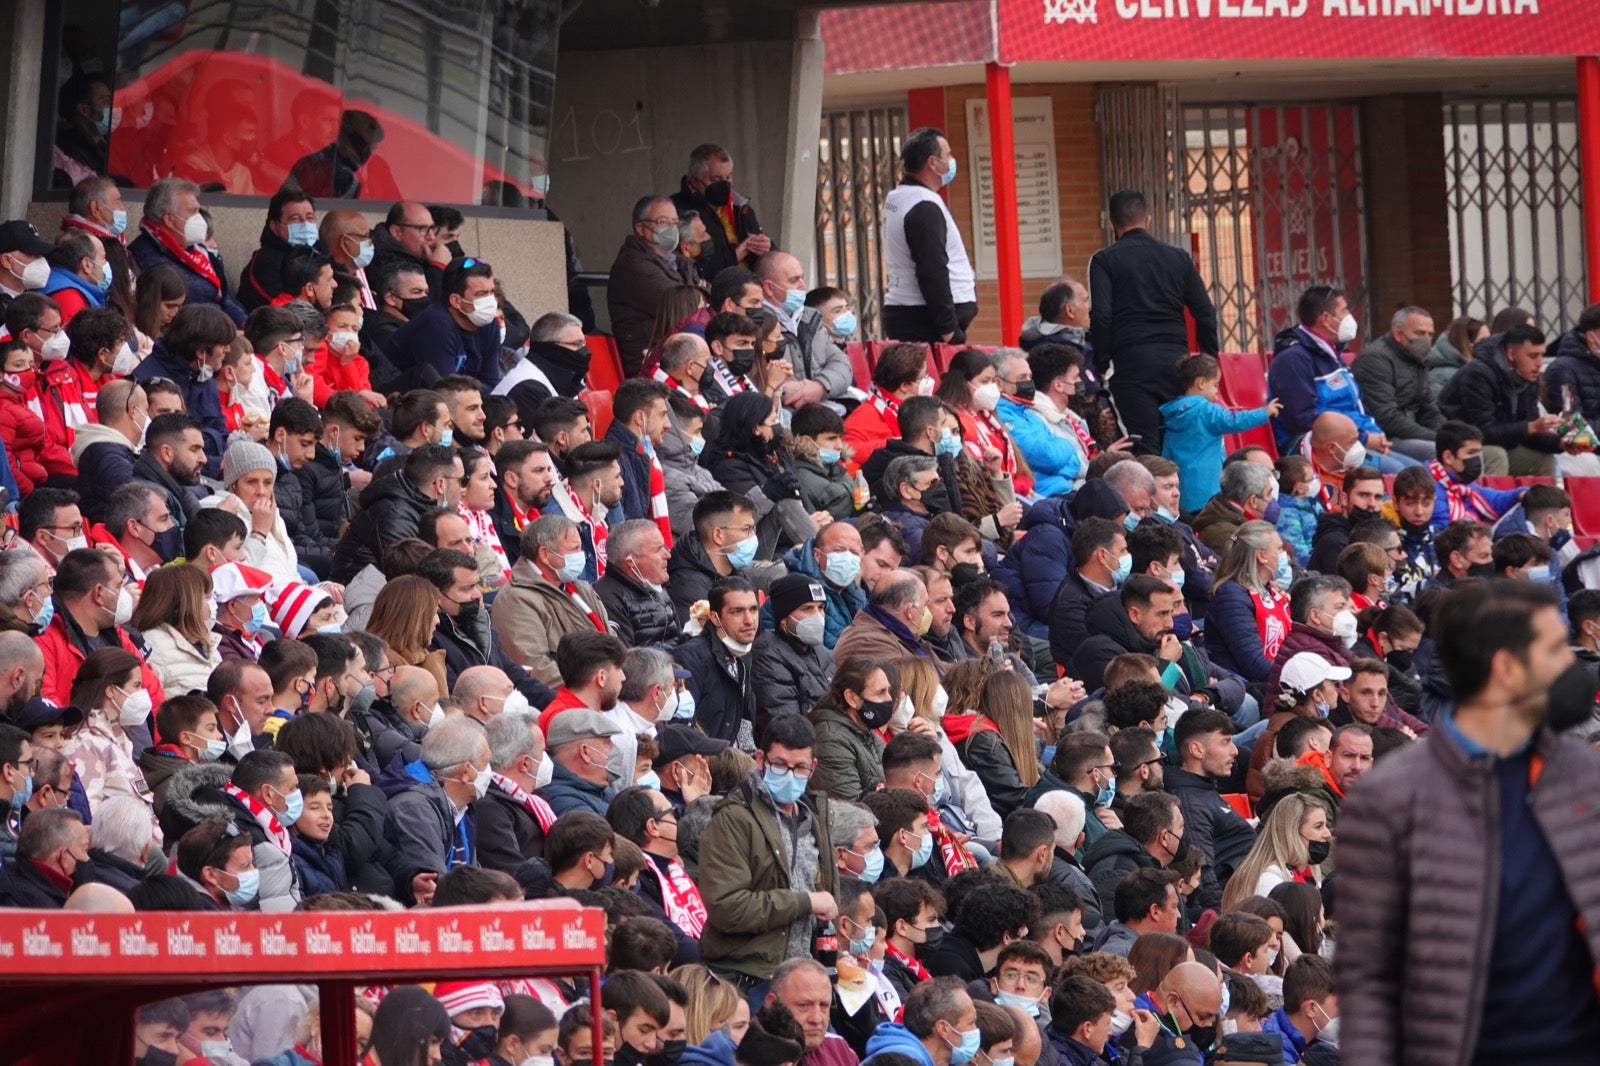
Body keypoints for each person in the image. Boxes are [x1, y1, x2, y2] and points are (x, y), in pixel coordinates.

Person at [698, 714, 839, 996]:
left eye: (800, 767)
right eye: (780, 765)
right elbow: (728, 908)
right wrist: (804, 902)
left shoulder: (813, 817)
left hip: (802, 978)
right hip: (747, 979)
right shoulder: (734, 818)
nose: (790, 774)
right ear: (761, 759)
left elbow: (824, 898)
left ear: (813, 768)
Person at [1087, 191, 1218, 453]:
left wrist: (1102, 362)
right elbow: (1205, 312)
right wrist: (1208, 360)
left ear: (1112, 224)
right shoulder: (1178, 257)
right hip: (1176, 363)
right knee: (1181, 442)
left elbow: (1101, 315)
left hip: (1130, 364)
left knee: (1145, 445)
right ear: (1147, 219)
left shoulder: (1104, 260)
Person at [1267, 285, 1411, 474]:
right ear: (1326, 319)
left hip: (1356, 440)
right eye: (1344, 311)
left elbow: (1357, 404)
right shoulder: (1293, 359)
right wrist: (1363, 438)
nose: (1349, 317)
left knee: (1421, 469)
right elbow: (1303, 419)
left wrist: (1373, 433)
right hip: (1320, 448)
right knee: (1400, 474)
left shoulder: (1330, 354)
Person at [881, 127, 977, 345]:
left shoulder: (898, 198)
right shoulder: (922, 205)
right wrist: (948, 329)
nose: (952, 161)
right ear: (932, 163)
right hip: (927, 320)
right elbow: (932, 268)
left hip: (913, 313)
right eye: (948, 155)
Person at [1439, 322, 1563, 477]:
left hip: (1501, 442)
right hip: (1459, 445)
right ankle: (1490, 494)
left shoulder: (1528, 375)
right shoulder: (1478, 374)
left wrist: (1561, 443)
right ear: (1511, 354)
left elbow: (1528, 431)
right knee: (1497, 456)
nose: (1539, 363)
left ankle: (1545, 494)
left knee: (1545, 460)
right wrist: (1530, 427)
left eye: (1542, 355)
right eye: (1532, 356)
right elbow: (1483, 431)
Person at [1162, 355, 1281, 515]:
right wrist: (1264, 412)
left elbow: (1166, 453)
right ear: (1201, 383)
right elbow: (1233, 420)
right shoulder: (1206, 410)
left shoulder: (1173, 413)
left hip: (1184, 489)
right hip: (1208, 488)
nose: (1217, 391)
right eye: (1215, 385)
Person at [332, 444, 463, 583]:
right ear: (440, 484)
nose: (463, 489)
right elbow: (417, 580)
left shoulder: (415, 508)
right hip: (363, 594)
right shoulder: (393, 517)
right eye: (462, 481)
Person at [1165, 709, 1253, 911]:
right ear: (1196, 749)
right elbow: (1202, 874)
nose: (1235, 751)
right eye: (1225, 742)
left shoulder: (1202, 789)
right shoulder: (1190, 803)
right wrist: (1227, 920)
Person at [127, 179, 246, 325]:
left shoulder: (198, 250)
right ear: (169, 219)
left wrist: (245, 324)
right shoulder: (145, 256)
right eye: (193, 211)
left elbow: (223, 297)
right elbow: (169, 314)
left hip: (220, 328)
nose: (199, 218)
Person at [608, 197, 704, 377]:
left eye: (675, 222)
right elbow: (683, 306)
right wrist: (699, 295)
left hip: (679, 355)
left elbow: (701, 303)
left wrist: (699, 296)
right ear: (640, 228)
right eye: (662, 222)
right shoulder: (633, 265)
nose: (671, 228)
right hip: (650, 364)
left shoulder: (679, 262)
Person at [384, 256, 505, 388]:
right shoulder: (436, 324)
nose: (490, 300)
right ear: (456, 301)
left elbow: (492, 385)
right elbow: (446, 391)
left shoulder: (489, 325)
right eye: (481, 294)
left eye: (491, 292)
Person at [1350, 305, 1445, 461]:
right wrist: (1437, 439)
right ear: (1398, 334)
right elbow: (1386, 417)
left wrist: (1450, 436)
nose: (1426, 340)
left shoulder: (1418, 359)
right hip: (1384, 437)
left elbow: (1429, 410)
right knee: (1440, 452)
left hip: (1411, 433)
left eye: (1430, 334)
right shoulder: (1375, 360)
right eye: (1420, 333)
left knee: (1466, 449)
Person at [754, 574, 837, 723]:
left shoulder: (821, 651)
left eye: (821, 608)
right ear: (784, 618)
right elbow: (786, 723)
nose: (818, 616)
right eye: (807, 608)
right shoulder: (767, 656)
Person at [132, 562, 222, 697]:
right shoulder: (153, 646)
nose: (212, 603)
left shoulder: (207, 642)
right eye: (207, 597)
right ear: (187, 603)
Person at [1424, 419, 1524, 529]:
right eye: (1471, 453)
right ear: (1448, 457)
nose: (1477, 459)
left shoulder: (1461, 481)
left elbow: (1494, 500)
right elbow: (1442, 526)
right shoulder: (1427, 486)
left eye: (1478, 453)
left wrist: (1522, 493)